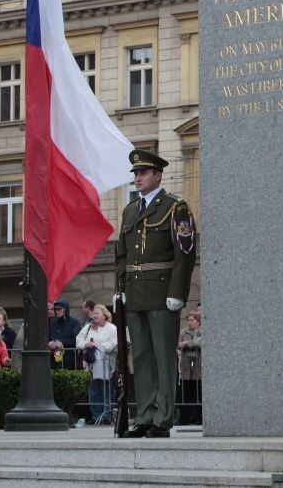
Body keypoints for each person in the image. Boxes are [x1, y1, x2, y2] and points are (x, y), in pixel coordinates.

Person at [115, 149, 196, 438]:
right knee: (142, 358)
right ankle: (145, 415)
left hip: (163, 293)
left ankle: (162, 418)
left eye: (143, 173)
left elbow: (185, 252)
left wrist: (178, 292)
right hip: (135, 294)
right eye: (135, 174)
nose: (137, 178)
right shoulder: (129, 210)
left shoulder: (175, 207)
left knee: (163, 357)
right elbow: (121, 255)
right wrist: (121, 289)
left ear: (158, 175)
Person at [76, 304, 118, 424]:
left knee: (106, 391)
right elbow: (78, 340)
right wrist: (86, 344)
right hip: (92, 365)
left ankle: (107, 416)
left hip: (107, 364)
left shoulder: (112, 328)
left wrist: (99, 346)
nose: (95, 315)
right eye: (94, 313)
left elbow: (114, 342)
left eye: (97, 313)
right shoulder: (88, 327)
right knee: (93, 391)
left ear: (105, 315)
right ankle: (96, 416)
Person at [177, 311, 203, 426]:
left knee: (199, 394)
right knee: (186, 394)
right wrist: (187, 343)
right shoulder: (183, 332)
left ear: (198, 321)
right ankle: (184, 418)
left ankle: (198, 417)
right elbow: (178, 344)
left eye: (192, 320)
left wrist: (187, 343)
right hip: (186, 366)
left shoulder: (202, 331)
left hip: (198, 367)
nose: (189, 322)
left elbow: (201, 343)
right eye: (188, 320)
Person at [48, 299, 82, 370]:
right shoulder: (52, 323)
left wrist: (60, 342)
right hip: (54, 357)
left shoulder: (74, 323)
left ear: (65, 309)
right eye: (56, 309)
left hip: (69, 357)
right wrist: (50, 343)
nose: (57, 311)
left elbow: (75, 339)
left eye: (59, 309)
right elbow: (48, 338)